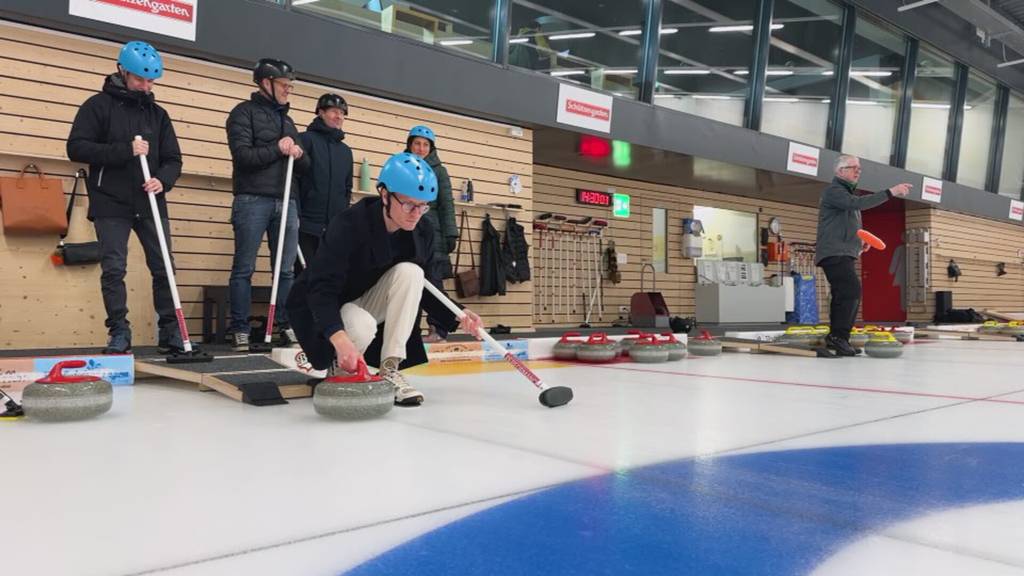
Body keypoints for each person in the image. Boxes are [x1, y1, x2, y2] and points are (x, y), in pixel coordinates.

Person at [286, 152, 484, 406]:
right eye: (409, 205)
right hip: (325, 306)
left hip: (366, 301)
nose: (416, 214)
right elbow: (321, 289)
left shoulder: (422, 231)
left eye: (423, 206)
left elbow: (429, 286)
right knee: (362, 325)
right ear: (385, 195)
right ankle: (339, 368)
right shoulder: (348, 224)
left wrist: (459, 313)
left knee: (412, 272)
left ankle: (390, 369)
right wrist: (340, 339)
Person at [66, 41, 183, 355]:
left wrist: (163, 180)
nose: (146, 87)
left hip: (150, 202)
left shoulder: (158, 115)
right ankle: (119, 331)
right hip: (110, 201)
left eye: (150, 81)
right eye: (139, 79)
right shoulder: (97, 106)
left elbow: (173, 159)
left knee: (164, 267)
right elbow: (76, 147)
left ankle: (170, 331)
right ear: (122, 71)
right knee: (114, 269)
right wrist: (125, 150)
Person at [225, 58, 309, 351]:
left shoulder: (288, 122)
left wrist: (299, 154)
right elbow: (243, 156)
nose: (288, 90)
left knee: (285, 270)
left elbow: (306, 166)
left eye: (290, 86)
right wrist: (277, 149)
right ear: (266, 83)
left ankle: (284, 325)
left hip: (287, 200)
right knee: (244, 268)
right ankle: (240, 328)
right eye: (284, 85)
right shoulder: (242, 113)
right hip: (252, 199)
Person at [815, 154, 911, 356]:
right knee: (851, 291)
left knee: (842, 294)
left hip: (844, 252)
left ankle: (837, 338)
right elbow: (856, 204)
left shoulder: (847, 194)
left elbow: (848, 224)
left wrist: (859, 243)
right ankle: (839, 337)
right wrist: (891, 192)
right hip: (834, 252)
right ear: (840, 171)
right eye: (853, 167)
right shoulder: (835, 191)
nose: (858, 171)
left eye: (859, 168)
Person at [405, 125, 457, 343]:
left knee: (434, 283)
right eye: (417, 143)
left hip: (432, 234)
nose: (421, 148)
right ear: (410, 145)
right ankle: (410, 332)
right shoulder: (403, 166)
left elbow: (447, 204)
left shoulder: (439, 171)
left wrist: (450, 234)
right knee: (410, 283)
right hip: (407, 231)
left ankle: (439, 329)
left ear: (431, 148)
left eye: (425, 144)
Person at [295, 93, 353, 274]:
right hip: (305, 226)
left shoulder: (346, 152)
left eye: (342, 113)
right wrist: (296, 215)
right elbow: (294, 180)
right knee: (301, 277)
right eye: (334, 111)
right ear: (321, 112)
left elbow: (347, 188)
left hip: (333, 231)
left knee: (326, 278)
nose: (339, 117)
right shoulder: (305, 140)